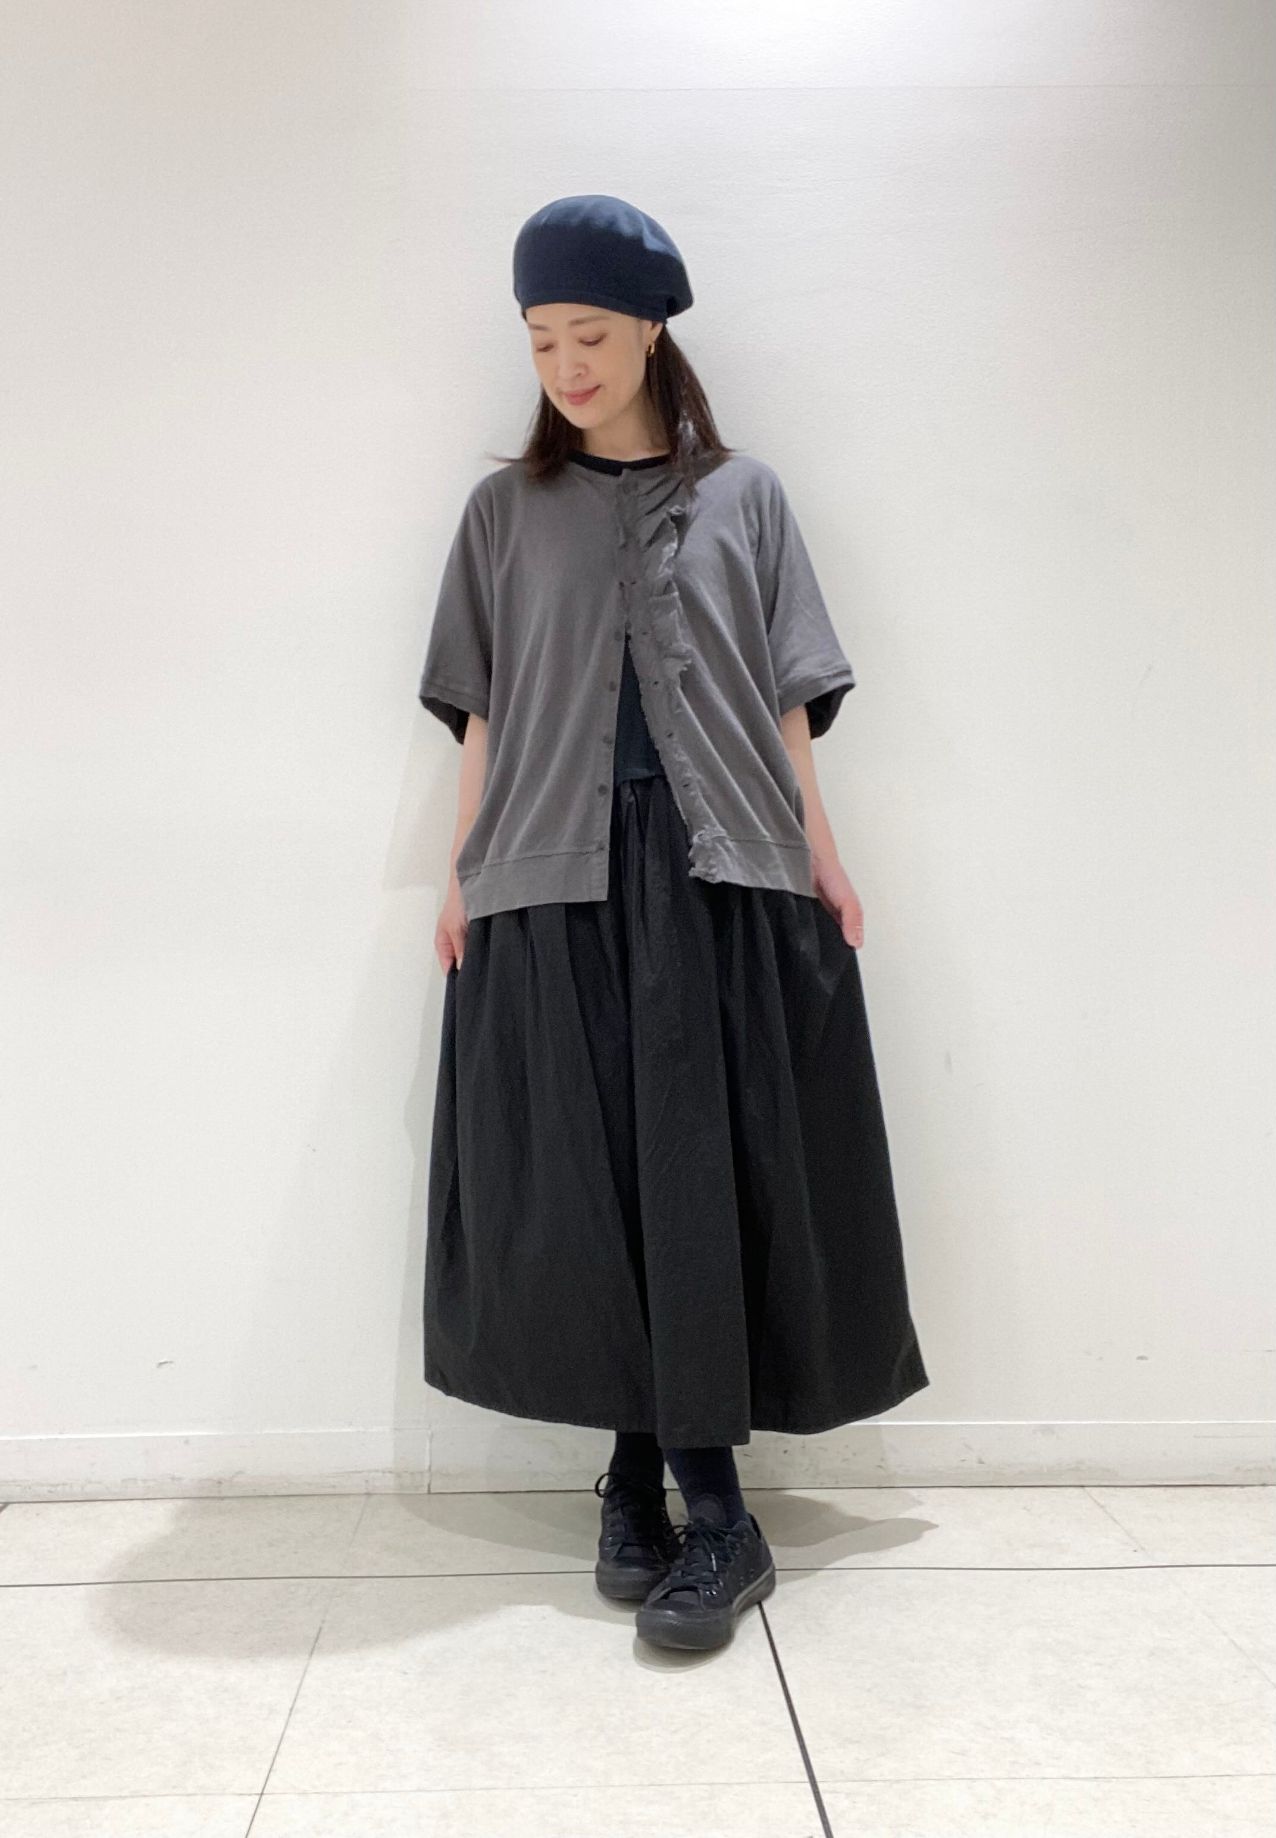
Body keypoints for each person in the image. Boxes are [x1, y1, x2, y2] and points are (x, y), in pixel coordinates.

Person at [418, 194, 929, 1653]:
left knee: (699, 1184)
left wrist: (821, 855)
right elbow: (482, 713)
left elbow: (786, 703)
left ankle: (716, 1514)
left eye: (588, 333)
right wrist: (460, 874)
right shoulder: (500, 515)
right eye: (540, 340)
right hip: (551, 878)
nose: (565, 365)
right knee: (594, 1193)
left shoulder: (747, 497)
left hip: (718, 877)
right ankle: (636, 1486)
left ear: (651, 330)